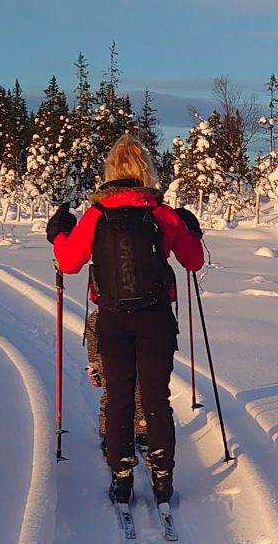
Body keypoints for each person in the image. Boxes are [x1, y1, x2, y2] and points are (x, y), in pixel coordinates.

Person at [46, 136, 206, 506]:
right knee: (156, 398)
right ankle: (163, 477)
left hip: (113, 319)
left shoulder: (97, 217)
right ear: (145, 170)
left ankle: (121, 478)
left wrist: (58, 234)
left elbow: (69, 262)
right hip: (156, 320)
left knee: (118, 396)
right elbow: (193, 262)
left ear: (111, 172)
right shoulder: (162, 215)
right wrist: (191, 230)